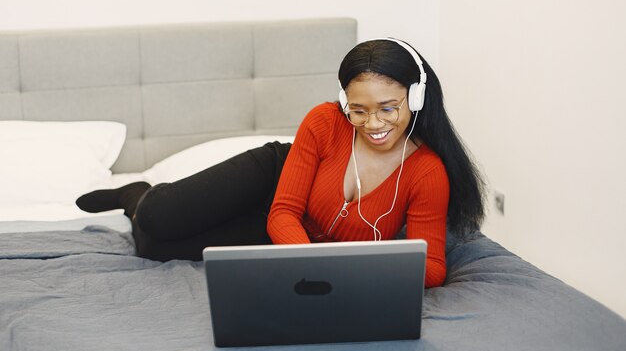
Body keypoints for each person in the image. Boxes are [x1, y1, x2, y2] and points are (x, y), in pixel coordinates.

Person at [77, 38, 485, 288]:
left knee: (153, 248)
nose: (373, 124)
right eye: (358, 110)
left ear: (415, 99)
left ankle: (140, 206)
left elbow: (433, 268)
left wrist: (350, 270)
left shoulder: (427, 172)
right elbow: (285, 210)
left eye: (388, 109)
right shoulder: (325, 121)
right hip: (275, 183)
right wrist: (320, 265)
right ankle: (138, 192)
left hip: (293, 236)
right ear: (345, 103)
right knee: (160, 216)